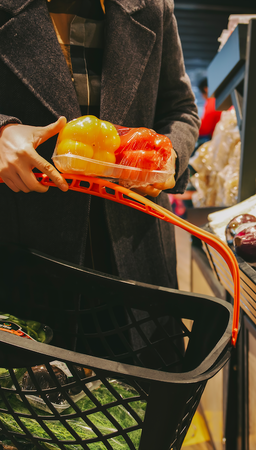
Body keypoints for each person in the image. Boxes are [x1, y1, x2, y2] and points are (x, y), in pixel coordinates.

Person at [0, 0, 200, 290]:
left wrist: (169, 158)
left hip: (138, 246)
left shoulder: (153, 7)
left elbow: (180, 108)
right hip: (25, 247)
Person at [198, 77, 222, 142]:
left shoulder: (212, 101)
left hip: (219, 140)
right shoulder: (220, 99)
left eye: (202, 93)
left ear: (206, 89)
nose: (202, 96)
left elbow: (205, 128)